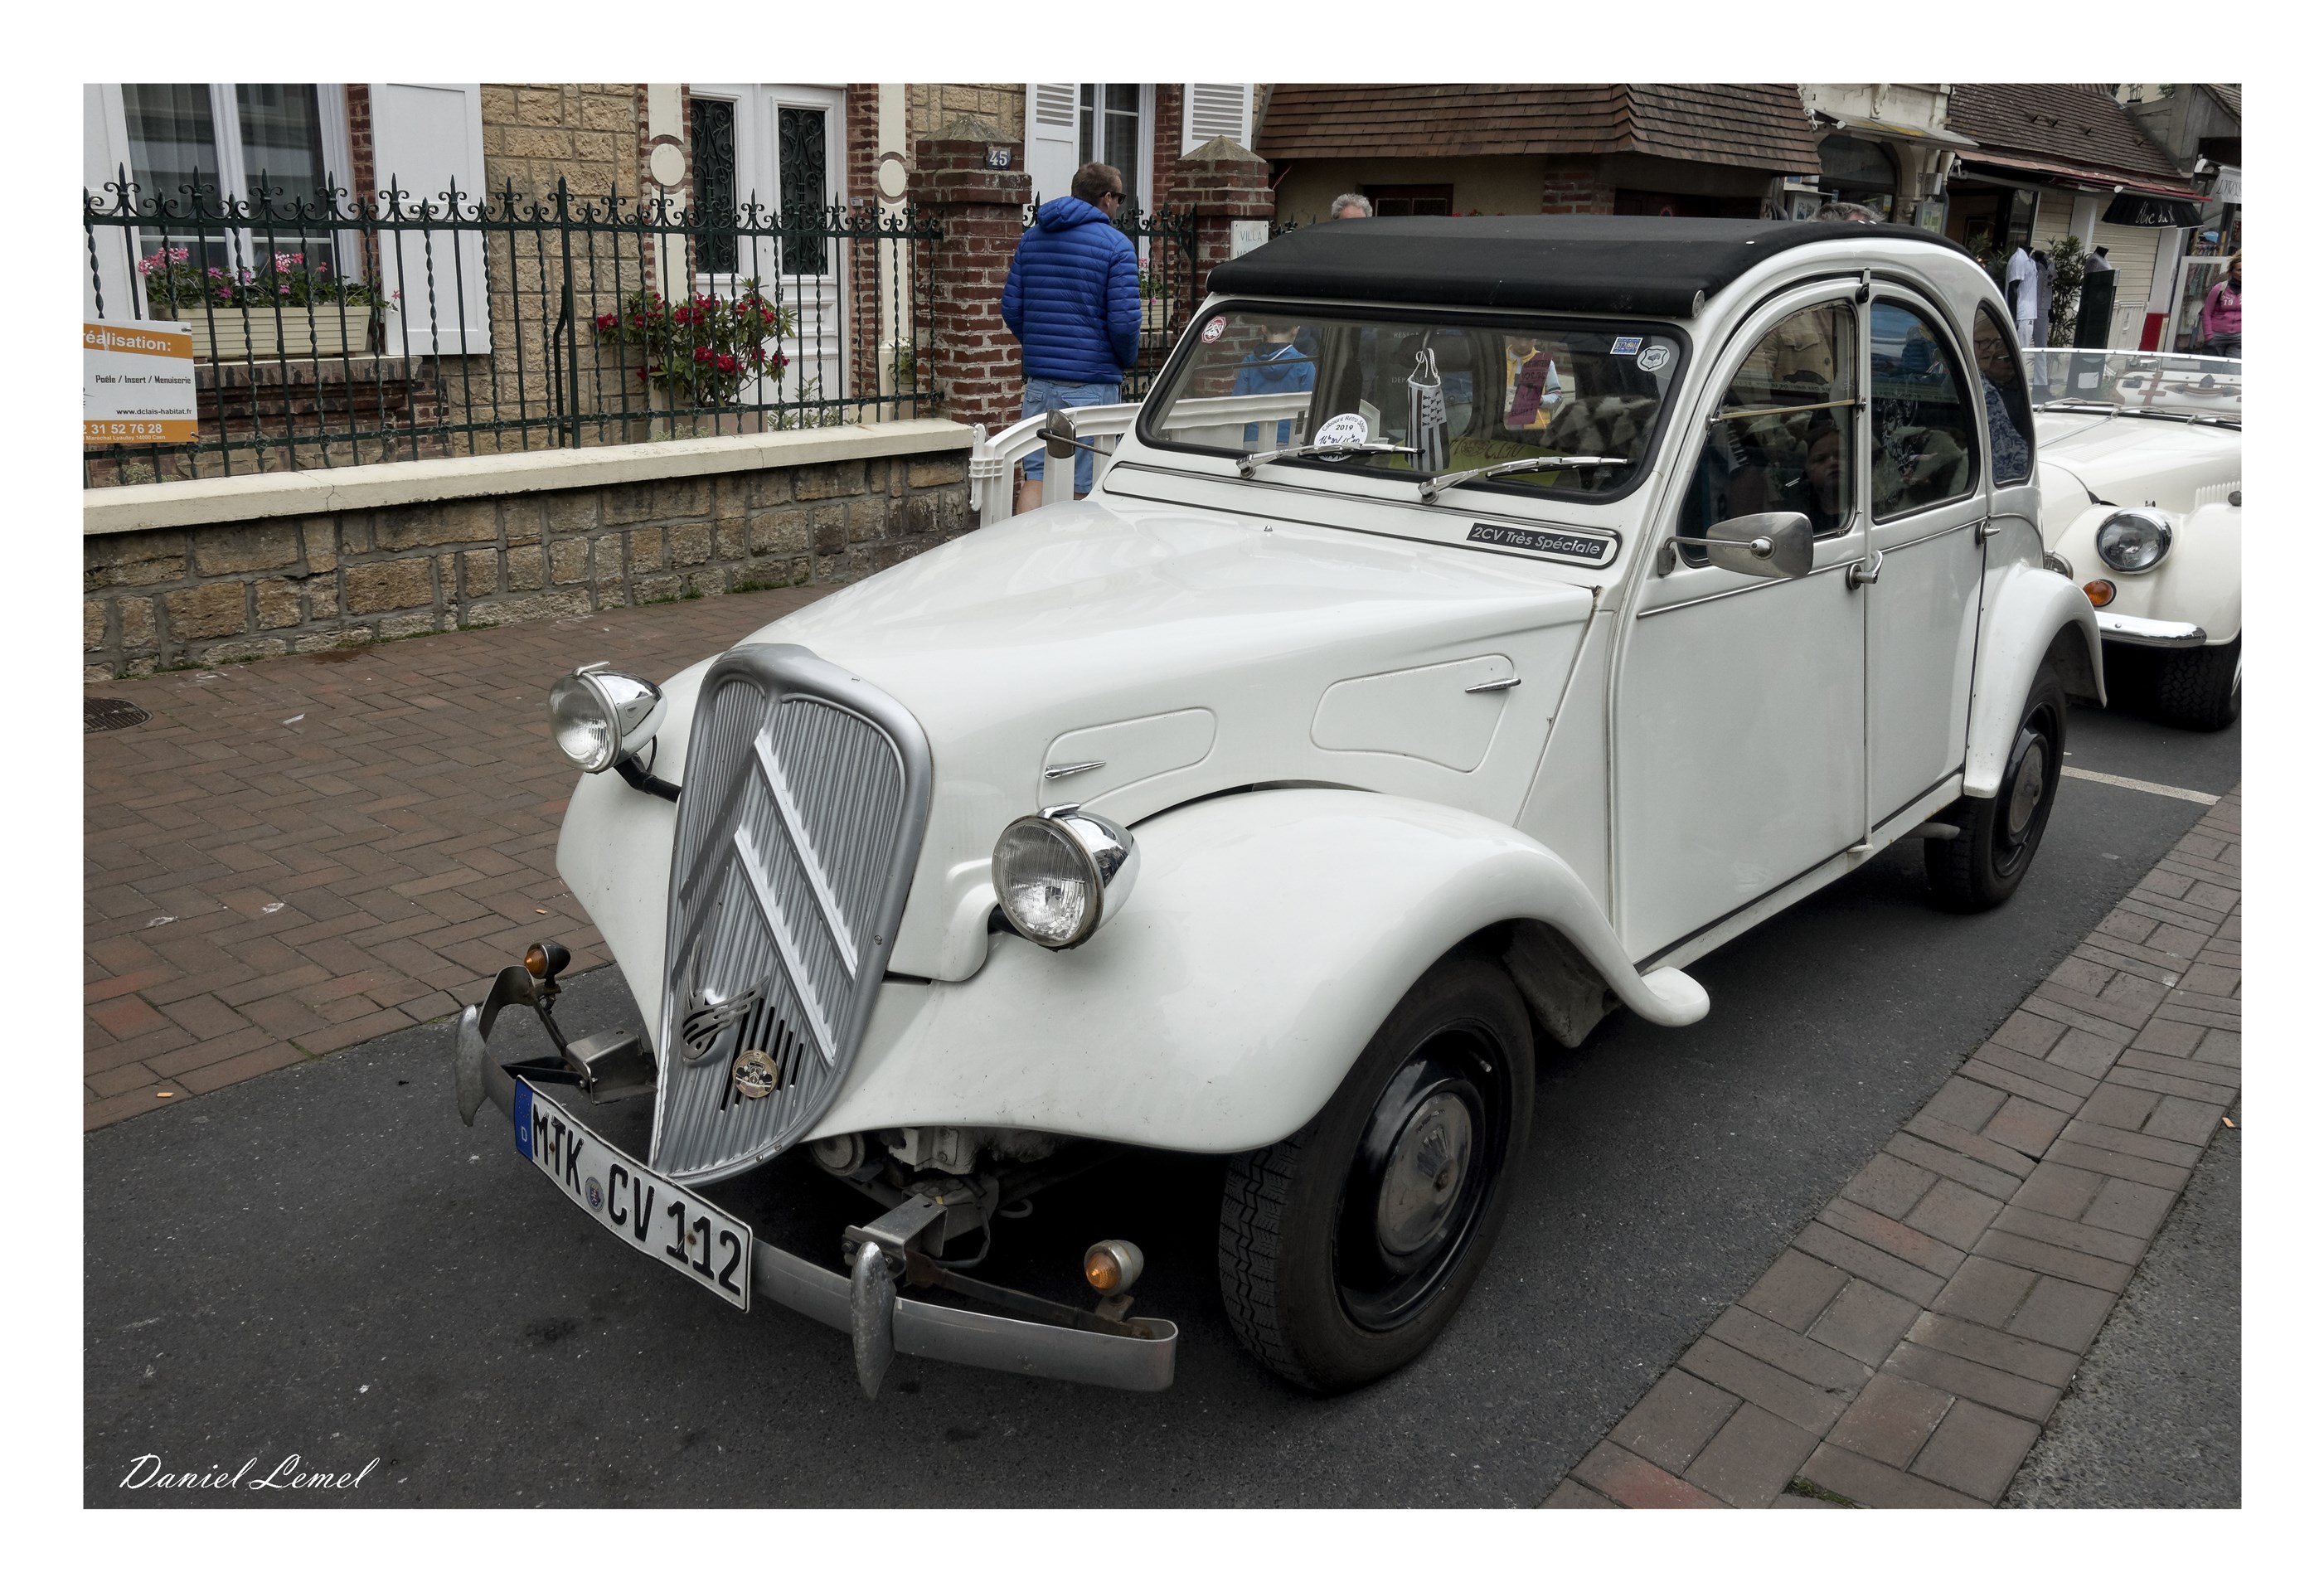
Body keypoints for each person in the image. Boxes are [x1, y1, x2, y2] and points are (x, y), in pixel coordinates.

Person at [1002, 161, 1142, 512]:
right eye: (1120, 197)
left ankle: (1023, 556)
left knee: (1036, 476)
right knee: (1082, 484)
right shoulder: (1117, 247)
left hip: (1039, 384)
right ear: (1107, 198)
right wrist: (1122, 359)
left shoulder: (1031, 239)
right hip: (1090, 385)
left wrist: (1041, 347)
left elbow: (1012, 308)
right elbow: (1124, 324)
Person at [1233, 321, 1317, 449]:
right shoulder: (1305, 365)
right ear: (1296, 329)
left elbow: (1237, 407)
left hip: (1251, 443)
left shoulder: (1249, 363)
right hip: (1291, 445)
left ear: (1264, 328)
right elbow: (1309, 413)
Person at [1972, 317, 2031, 483]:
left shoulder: (1985, 387)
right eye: (1983, 342)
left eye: (1995, 342)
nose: (1990, 349)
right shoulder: (1979, 387)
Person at [2200, 255, 2242, 358]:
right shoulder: (2219, 288)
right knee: (2212, 370)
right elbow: (2207, 312)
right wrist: (2209, 336)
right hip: (2217, 335)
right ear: (2231, 272)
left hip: (2239, 338)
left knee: (2233, 371)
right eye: (2239, 270)